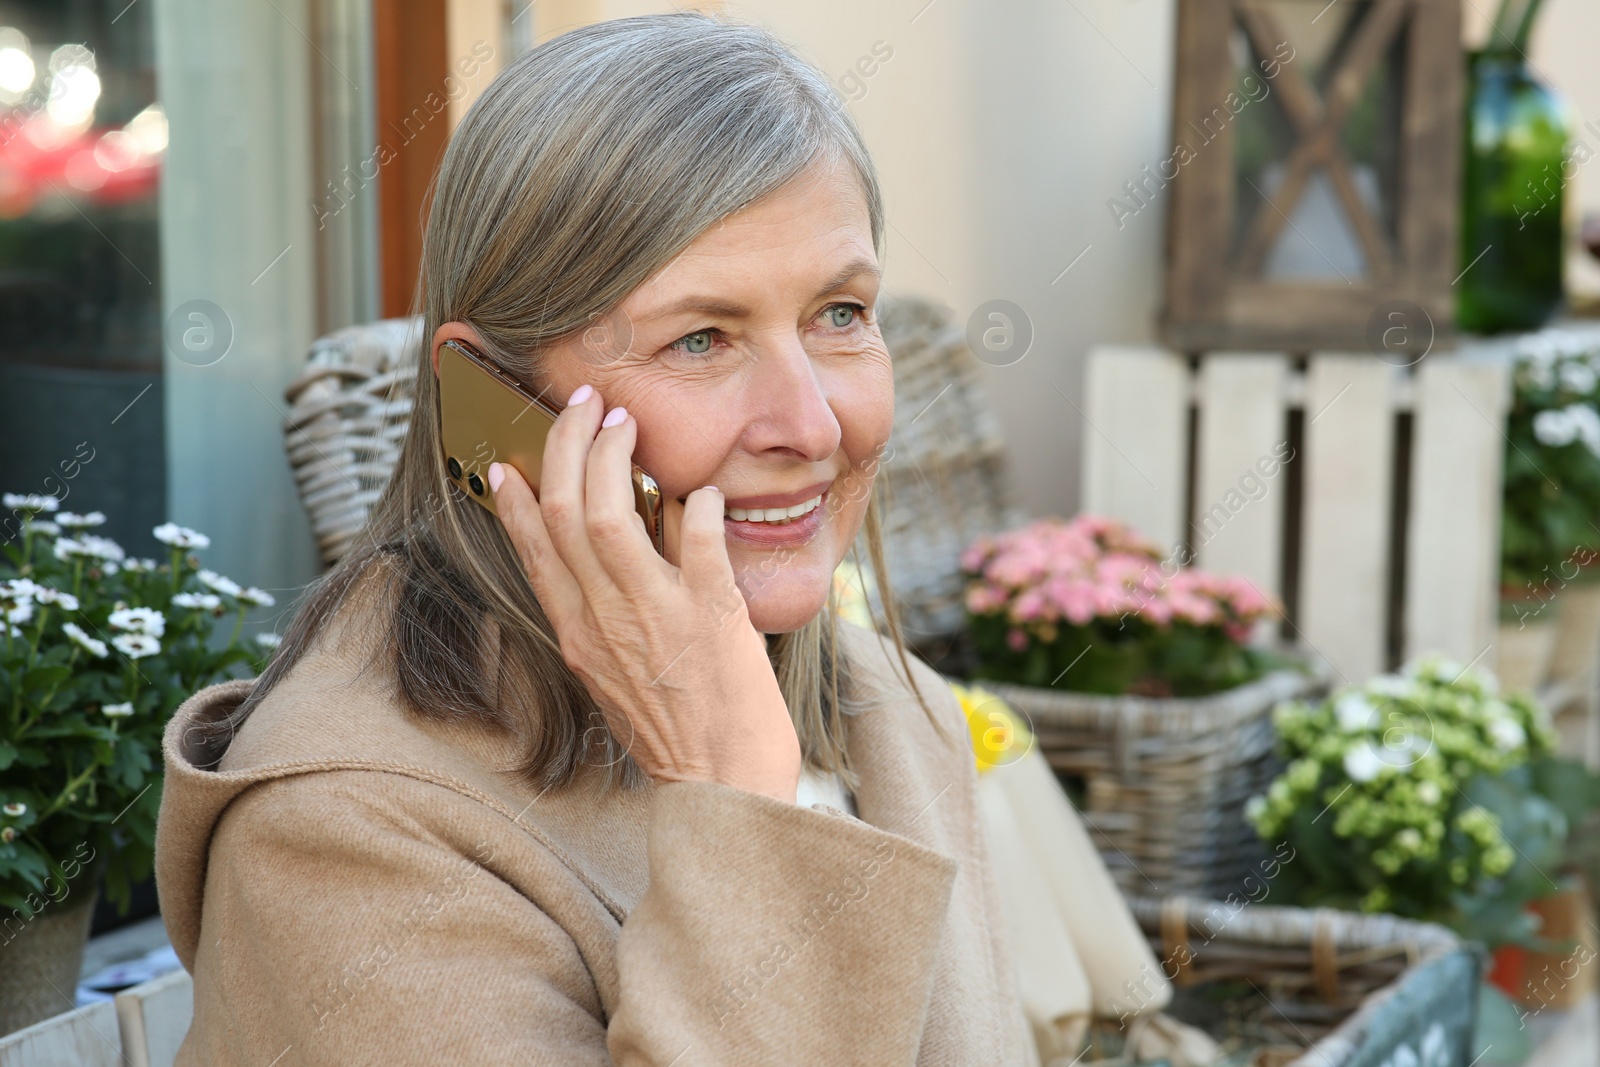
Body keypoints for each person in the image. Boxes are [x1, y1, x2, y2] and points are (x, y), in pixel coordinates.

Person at [155, 12, 1032, 1064]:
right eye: (700, 338)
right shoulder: (347, 834)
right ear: (491, 402)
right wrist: (733, 796)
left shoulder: (894, 715)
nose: (811, 425)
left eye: (839, 313)